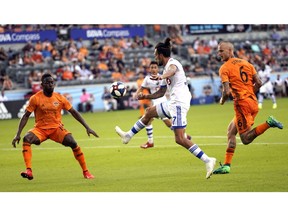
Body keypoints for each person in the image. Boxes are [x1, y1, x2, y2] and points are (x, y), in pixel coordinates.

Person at [115, 37, 216, 179]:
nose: (155, 58)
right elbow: (161, 93)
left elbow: (172, 71)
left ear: (161, 55)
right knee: (149, 112)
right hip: (172, 103)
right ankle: (128, 136)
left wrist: (161, 76)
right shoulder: (165, 69)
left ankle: (208, 160)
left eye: (156, 55)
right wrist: (145, 97)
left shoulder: (173, 64)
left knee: (180, 139)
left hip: (179, 103)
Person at [213, 41, 283, 174]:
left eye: (221, 51)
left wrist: (222, 100)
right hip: (252, 101)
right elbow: (259, 82)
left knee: (245, 139)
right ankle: (227, 165)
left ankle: (268, 123)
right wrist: (249, 93)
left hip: (242, 105)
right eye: (218, 51)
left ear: (230, 50)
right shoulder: (246, 63)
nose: (219, 53)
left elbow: (227, 92)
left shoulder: (224, 68)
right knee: (230, 132)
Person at [12, 73, 98, 180]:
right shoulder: (35, 98)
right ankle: (29, 170)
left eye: (52, 83)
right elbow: (25, 116)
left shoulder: (60, 98)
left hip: (56, 129)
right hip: (40, 129)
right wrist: (18, 134)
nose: (50, 85)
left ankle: (86, 172)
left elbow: (74, 112)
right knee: (27, 138)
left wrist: (87, 127)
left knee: (73, 143)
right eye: (47, 83)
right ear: (42, 85)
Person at [135, 60, 192, 149]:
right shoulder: (147, 79)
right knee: (149, 119)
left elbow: (165, 89)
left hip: (163, 101)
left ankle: (183, 136)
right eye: (151, 67)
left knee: (166, 122)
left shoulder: (163, 76)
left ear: (158, 68)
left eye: (155, 67)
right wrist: (137, 94)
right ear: (149, 69)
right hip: (155, 101)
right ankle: (150, 141)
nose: (153, 69)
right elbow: (141, 88)